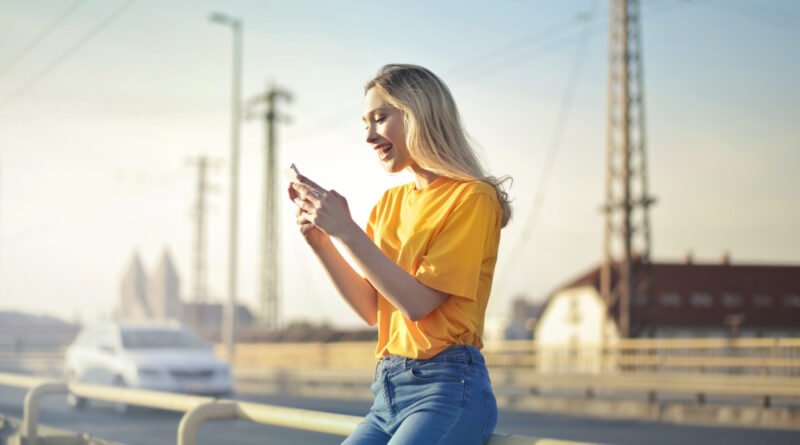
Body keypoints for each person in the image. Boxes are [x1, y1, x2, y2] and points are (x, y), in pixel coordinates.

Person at [287, 64, 512, 445]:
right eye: (365, 123)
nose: (369, 136)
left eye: (380, 118)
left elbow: (417, 304)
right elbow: (372, 310)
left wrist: (346, 229)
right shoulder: (389, 204)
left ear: (418, 115)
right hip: (387, 393)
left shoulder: (472, 197)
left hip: (447, 389)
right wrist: (323, 242)